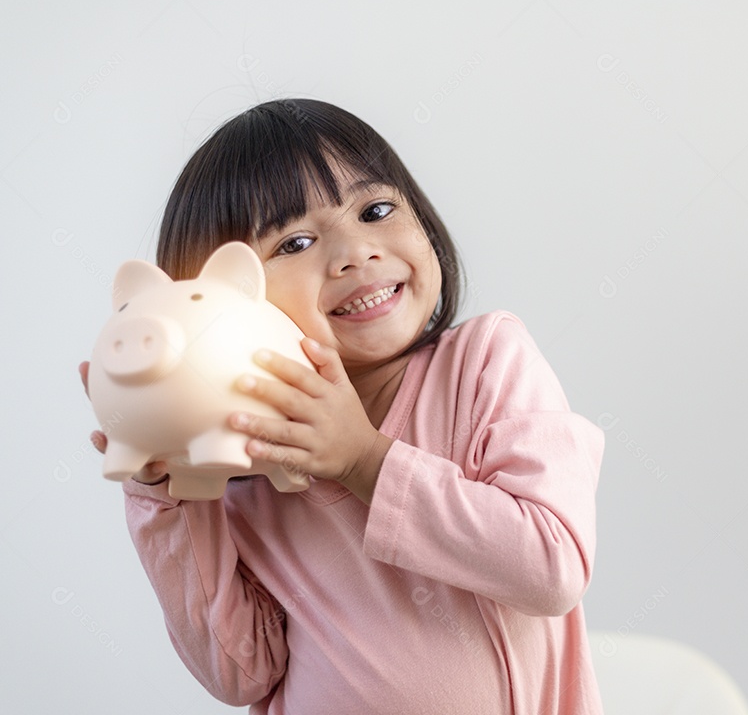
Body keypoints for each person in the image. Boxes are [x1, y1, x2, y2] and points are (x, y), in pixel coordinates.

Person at [78, 98, 604, 714]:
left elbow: (551, 567)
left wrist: (364, 459)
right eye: (295, 242)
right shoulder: (251, 453)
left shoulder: (487, 361)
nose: (356, 252)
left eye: (376, 210)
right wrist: (172, 494)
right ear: (223, 297)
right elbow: (238, 673)